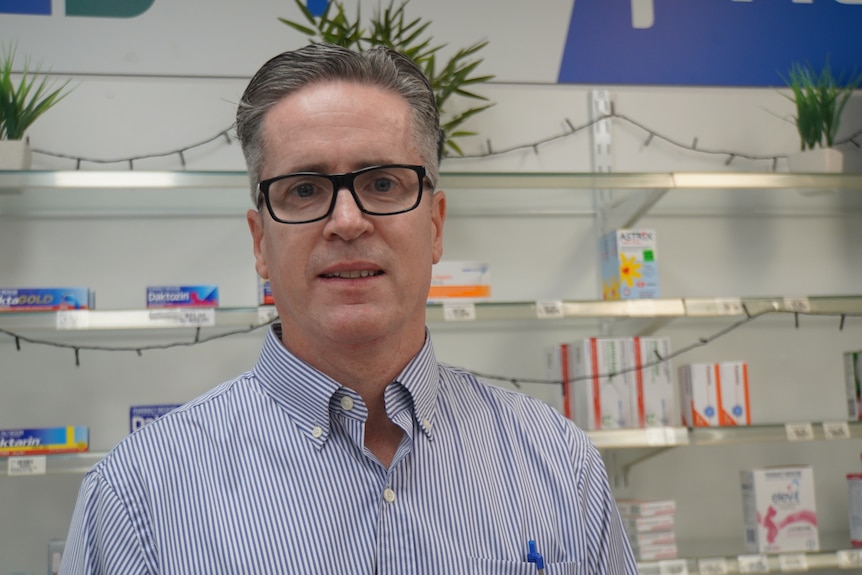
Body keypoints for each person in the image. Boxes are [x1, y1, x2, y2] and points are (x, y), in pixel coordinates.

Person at [60, 43, 638, 574]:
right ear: (261, 243)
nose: (347, 221)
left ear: (434, 227)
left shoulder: (558, 463)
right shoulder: (137, 497)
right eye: (305, 190)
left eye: (383, 183)